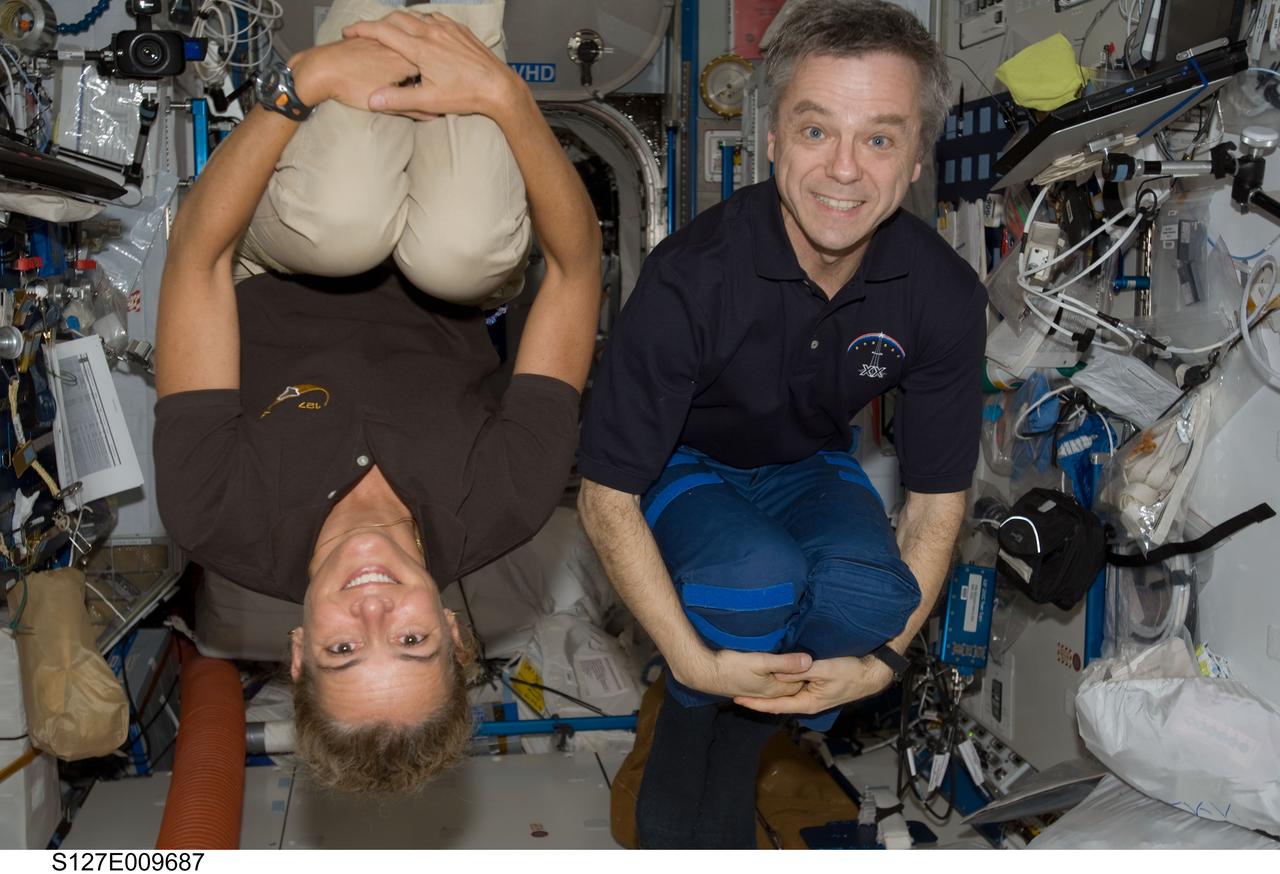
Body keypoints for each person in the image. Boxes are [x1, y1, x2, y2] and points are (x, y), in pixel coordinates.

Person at [153, 12, 601, 794]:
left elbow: (199, 253)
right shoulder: (506, 501)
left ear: (298, 652)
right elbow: (573, 268)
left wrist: (305, 84)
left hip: (281, 258)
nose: (373, 613)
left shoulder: (216, 512)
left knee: (343, 218)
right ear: (457, 635)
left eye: (342, 652)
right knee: (463, 243)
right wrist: (504, 99)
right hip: (451, 279)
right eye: (412, 639)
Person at [576, 0, 986, 848]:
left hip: (806, 462)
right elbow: (606, 496)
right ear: (769, 137)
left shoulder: (940, 294)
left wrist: (883, 663)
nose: (844, 170)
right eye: (815, 131)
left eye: (879, 137)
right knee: (754, 579)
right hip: (684, 464)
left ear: (915, 159)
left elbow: (938, 503)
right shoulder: (690, 280)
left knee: (875, 598)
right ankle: (691, 719)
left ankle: (748, 730)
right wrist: (691, 665)